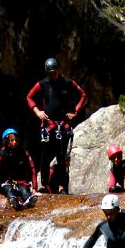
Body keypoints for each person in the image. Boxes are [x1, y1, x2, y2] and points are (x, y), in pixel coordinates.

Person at [27, 57, 87, 194]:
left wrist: (75, 111)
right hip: (49, 125)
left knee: (62, 156)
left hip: (63, 125)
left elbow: (82, 94)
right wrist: (37, 111)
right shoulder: (43, 84)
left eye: (54, 72)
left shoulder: (67, 82)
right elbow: (29, 97)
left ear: (58, 70)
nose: (52, 75)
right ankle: (44, 185)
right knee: (45, 156)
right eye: (50, 73)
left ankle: (62, 187)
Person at [0, 128, 38, 210]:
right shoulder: (0, 155)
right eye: (11, 140)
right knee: (9, 189)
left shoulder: (23, 152)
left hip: (20, 181)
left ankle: (29, 200)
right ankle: (14, 201)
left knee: (24, 190)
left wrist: (34, 188)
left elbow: (32, 168)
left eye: (16, 140)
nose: (14, 143)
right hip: (5, 182)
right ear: (6, 141)